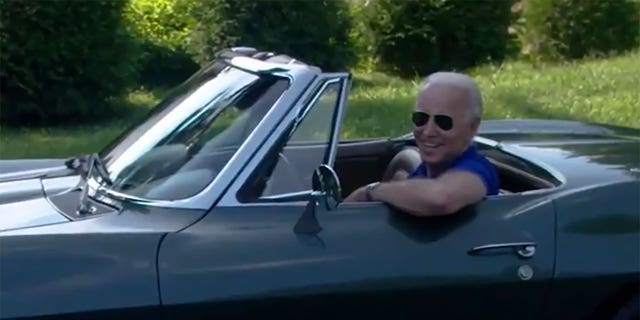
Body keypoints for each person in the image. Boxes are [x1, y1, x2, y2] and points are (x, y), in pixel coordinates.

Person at [343, 72, 499, 217]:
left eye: (443, 122)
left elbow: (440, 199)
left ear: (472, 127)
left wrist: (369, 192)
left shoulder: (477, 169)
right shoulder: (422, 171)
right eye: (421, 118)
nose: (428, 131)